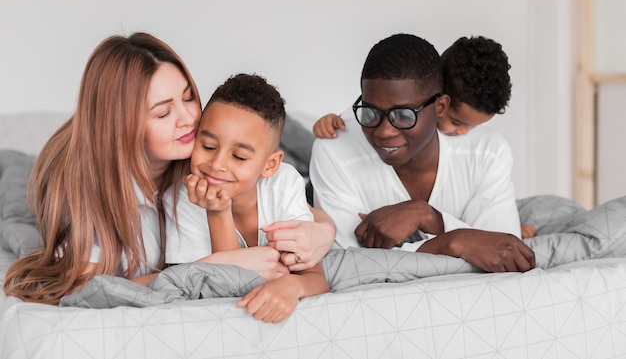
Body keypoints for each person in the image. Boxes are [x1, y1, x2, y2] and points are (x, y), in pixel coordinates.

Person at [3, 33, 334, 304]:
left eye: (189, 97)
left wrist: (323, 233)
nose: (189, 119)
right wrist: (214, 266)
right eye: (163, 113)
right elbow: (82, 289)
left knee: (277, 132)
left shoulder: (199, 154)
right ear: (121, 126)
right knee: (15, 174)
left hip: (269, 160)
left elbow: (295, 204)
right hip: (52, 167)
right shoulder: (84, 189)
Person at [309, 33, 536, 273]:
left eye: (404, 115)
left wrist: (429, 218)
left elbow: (504, 252)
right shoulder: (333, 149)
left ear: (441, 107)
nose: (384, 131)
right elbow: (345, 265)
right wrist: (455, 241)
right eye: (370, 111)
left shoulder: (488, 153)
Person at [166, 73, 328, 323]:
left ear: (270, 164)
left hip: (303, 183)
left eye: (239, 156)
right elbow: (223, 288)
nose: (216, 164)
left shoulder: (283, 183)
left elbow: (315, 278)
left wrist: (292, 287)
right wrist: (218, 212)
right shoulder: (180, 199)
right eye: (208, 146)